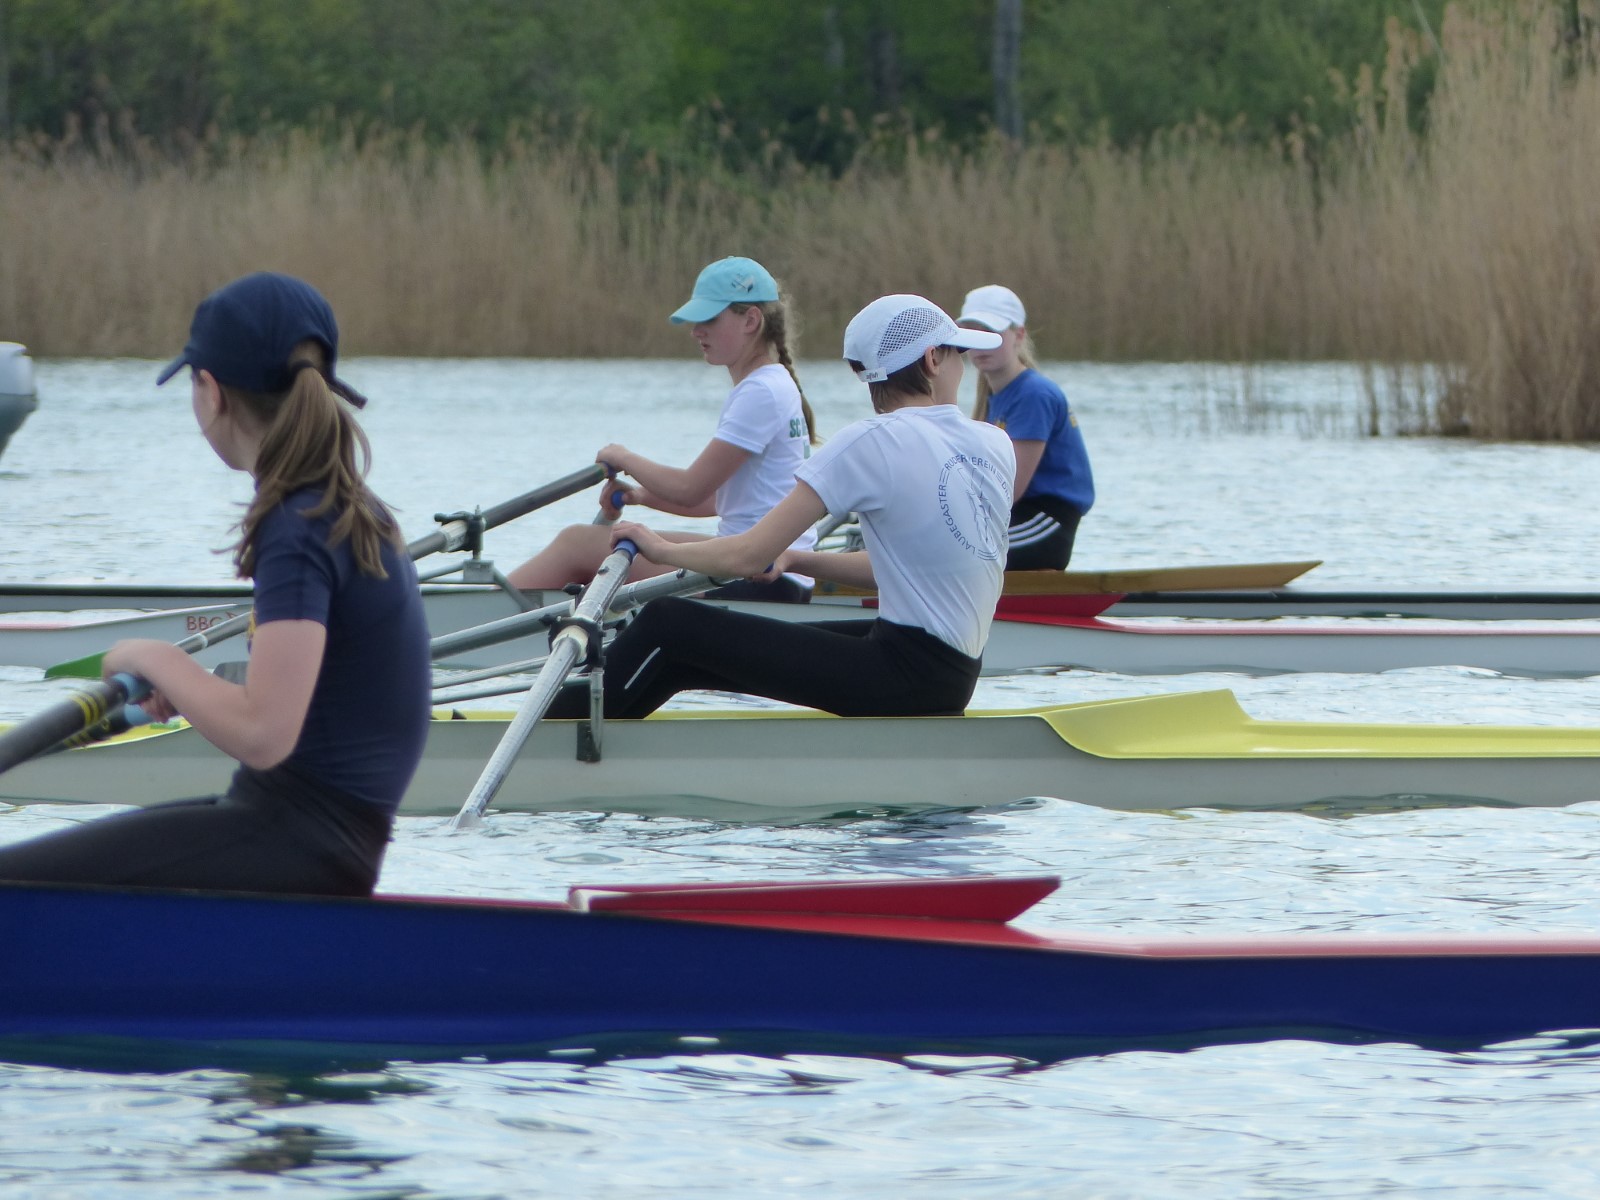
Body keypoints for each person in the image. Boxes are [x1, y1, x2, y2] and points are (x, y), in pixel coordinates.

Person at [0, 273, 431, 897]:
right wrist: (196, 693)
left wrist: (157, 660)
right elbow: (307, 703)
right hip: (310, 834)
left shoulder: (298, 526)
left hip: (298, 840)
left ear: (211, 391)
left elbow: (264, 733)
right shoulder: (345, 507)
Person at [545, 294, 1015, 721]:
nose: (963, 366)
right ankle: (602, 733)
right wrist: (796, 559)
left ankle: (552, 732)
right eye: (958, 354)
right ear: (932, 360)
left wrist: (658, 547)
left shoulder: (870, 441)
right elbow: (904, 566)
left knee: (668, 622)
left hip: (907, 674)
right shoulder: (994, 444)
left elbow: (746, 556)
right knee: (685, 653)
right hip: (948, 674)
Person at [508, 255, 819, 603]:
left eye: (709, 319)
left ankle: (479, 612)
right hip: (772, 571)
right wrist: (641, 496)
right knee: (596, 544)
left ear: (751, 320)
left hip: (759, 577)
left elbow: (689, 489)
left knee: (576, 544)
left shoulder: (760, 391)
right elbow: (720, 499)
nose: (696, 331)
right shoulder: (774, 383)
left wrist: (622, 457)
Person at [957, 284, 1094, 571]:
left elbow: (1008, 490)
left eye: (991, 332)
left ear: (1019, 335)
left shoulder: (1034, 394)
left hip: (1044, 524)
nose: (981, 343)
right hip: (1015, 519)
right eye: (973, 332)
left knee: (948, 548)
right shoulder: (996, 395)